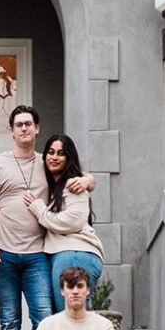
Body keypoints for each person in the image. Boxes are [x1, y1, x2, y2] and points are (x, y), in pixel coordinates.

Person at [0, 105, 95, 330]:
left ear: (37, 128)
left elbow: (79, 175)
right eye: (19, 124)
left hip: (38, 255)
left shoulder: (48, 162)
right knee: (10, 323)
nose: (24, 129)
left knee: (44, 319)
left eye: (29, 124)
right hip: (0, 254)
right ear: (11, 130)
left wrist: (90, 180)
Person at [24, 134, 105, 313]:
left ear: (69, 158)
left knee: (71, 318)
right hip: (66, 255)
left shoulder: (72, 185)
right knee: (68, 319)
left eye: (61, 153)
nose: (54, 157)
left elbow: (73, 221)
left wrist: (39, 209)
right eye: (50, 152)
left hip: (75, 254)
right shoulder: (57, 187)